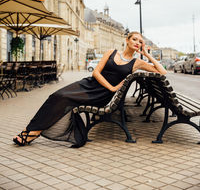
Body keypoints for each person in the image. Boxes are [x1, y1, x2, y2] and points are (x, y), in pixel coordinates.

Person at [13, 31, 167, 148]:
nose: (137, 43)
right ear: (126, 40)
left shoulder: (137, 62)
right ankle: (33, 130)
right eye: (134, 39)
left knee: (64, 99)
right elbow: (96, 72)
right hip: (89, 84)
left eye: (140, 42)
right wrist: (112, 86)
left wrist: (147, 54)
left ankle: (31, 133)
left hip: (102, 95)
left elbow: (162, 71)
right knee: (56, 95)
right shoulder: (111, 52)